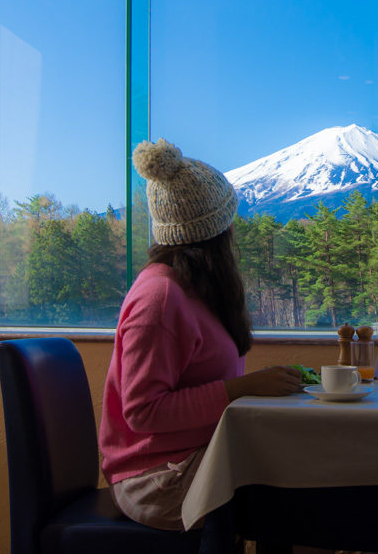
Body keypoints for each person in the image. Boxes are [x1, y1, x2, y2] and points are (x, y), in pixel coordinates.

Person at [99, 138, 302, 531]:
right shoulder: (160, 297)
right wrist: (240, 389)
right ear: (217, 229)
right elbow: (142, 412)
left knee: (305, 470)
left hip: (195, 457)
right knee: (302, 493)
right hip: (156, 478)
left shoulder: (197, 290)